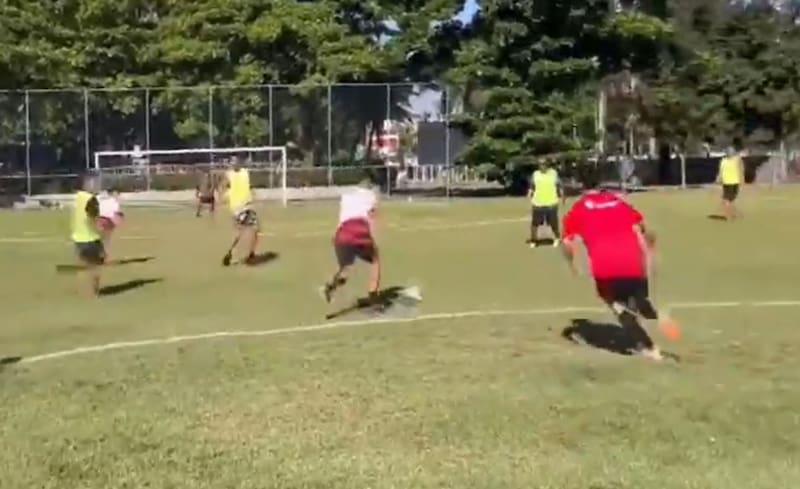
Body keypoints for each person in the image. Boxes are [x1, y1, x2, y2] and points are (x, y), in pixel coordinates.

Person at [560, 170, 680, 361]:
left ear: (580, 186)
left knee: (618, 306)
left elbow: (566, 243)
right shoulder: (617, 201)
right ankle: (651, 312)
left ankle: (649, 348)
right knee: (637, 297)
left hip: (605, 266)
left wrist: (571, 264)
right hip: (633, 261)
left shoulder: (578, 209)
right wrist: (652, 249)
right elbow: (646, 229)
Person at [322, 177, 381, 305]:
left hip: (342, 233)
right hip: (359, 232)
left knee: (345, 268)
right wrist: (373, 239)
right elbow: (372, 218)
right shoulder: (371, 197)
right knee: (375, 260)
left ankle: (331, 286)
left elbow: (342, 217)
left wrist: (335, 234)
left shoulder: (346, 197)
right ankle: (373, 297)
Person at [71, 174, 105, 296]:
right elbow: (93, 217)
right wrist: (102, 226)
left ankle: (82, 290)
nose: (98, 186)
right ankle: (93, 292)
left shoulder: (79, 196)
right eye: (95, 184)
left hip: (78, 238)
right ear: (88, 184)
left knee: (83, 263)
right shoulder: (91, 199)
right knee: (97, 263)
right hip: (90, 238)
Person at [222, 157, 259, 265]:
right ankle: (234, 253)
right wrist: (225, 196)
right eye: (232, 162)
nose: (234, 163)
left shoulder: (245, 172)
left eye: (235, 161)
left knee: (254, 230)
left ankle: (250, 254)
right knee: (244, 231)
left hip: (247, 206)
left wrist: (253, 193)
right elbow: (223, 187)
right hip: (237, 207)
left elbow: (248, 185)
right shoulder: (229, 174)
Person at [527, 159, 563, 248]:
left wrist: (562, 196)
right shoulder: (535, 174)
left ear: (547, 164)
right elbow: (532, 186)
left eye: (543, 164)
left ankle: (557, 238)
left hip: (551, 203)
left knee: (553, 223)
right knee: (535, 224)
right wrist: (529, 194)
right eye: (540, 164)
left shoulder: (553, 174)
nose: (542, 165)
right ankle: (534, 240)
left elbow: (559, 186)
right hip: (538, 203)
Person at [716, 145, 744, 220]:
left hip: (735, 182)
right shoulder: (724, 161)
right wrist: (719, 178)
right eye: (729, 151)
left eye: (731, 151)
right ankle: (728, 216)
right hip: (727, 182)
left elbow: (741, 169)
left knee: (731, 199)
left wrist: (741, 179)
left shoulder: (736, 159)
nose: (730, 153)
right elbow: (721, 171)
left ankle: (732, 214)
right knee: (727, 199)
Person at [97, 187, 124, 254]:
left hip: (100, 219)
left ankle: (99, 253)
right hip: (108, 220)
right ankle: (103, 253)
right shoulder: (114, 202)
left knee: (101, 238)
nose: (118, 196)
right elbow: (114, 213)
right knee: (106, 239)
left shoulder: (102, 198)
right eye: (117, 194)